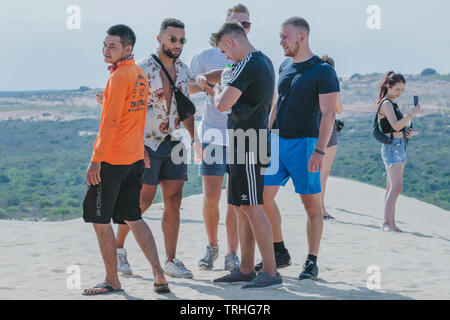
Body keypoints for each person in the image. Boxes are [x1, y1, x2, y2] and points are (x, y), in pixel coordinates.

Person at [82, 25, 169, 295]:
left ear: (128, 49)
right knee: (133, 216)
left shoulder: (119, 76)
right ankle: (159, 274)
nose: (106, 50)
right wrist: (141, 148)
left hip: (112, 160)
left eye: (113, 46)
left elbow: (111, 121)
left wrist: (96, 159)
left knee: (100, 219)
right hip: (134, 159)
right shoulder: (139, 75)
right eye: (105, 45)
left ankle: (112, 280)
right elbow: (137, 116)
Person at [114, 18, 201, 279]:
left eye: (182, 39)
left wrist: (195, 138)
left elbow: (184, 109)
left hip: (174, 142)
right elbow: (127, 109)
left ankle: (171, 260)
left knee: (174, 201)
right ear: (160, 39)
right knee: (143, 200)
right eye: (172, 38)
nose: (177, 44)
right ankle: (117, 249)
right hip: (145, 143)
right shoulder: (141, 69)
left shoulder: (184, 71)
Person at [263, 17, 340, 281]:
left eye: (285, 36)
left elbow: (329, 114)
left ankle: (311, 261)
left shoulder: (323, 71)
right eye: (280, 36)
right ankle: (279, 250)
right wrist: (266, 137)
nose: (281, 41)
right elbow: (276, 104)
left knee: (311, 207)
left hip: (306, 145)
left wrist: (319, 150)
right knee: (262, 198)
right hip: (276, 143)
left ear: (302, 37)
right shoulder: (284, 65)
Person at [210, 22, 282, 289]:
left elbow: (222, 104)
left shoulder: (250, 63)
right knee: (241, 207)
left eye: (224, 51)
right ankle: (246, 268)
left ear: (231, 42)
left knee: (252, 207)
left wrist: (215, 89)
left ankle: (272, 272)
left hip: (249, 143)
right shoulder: (261, 61)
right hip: (243, 142)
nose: (226, 58)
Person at [189, 3, 252, 272]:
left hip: (241, 136)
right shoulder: (205, 55)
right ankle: (212, 246)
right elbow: (188, 87)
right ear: (224, 25)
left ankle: (232, 253)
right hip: (212, 133)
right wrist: (206, 85)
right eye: (235, 24)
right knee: (211, 196)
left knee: (235, 199)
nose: (240, 29)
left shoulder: (253, 58)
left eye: (245, 25)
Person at [376, 71, 420, 232]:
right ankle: (386, 223)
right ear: (389, 86)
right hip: (392, 147)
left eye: (402, 90)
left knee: (392, 187)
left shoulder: (393, 103)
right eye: (397, 89)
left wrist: (408, 132)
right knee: (396, 187)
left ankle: (391, 223)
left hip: (399, 145)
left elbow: (399, 126)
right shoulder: (386, 103)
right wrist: (411, 114)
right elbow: (395, 126)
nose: (399, 93)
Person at [319, 55, 344, 220]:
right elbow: (338, 109)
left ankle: (320, 206)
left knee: (322, 172)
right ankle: (320, 208)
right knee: (323, 172)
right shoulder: (326, 87)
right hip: (325, 131)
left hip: (320, 130)